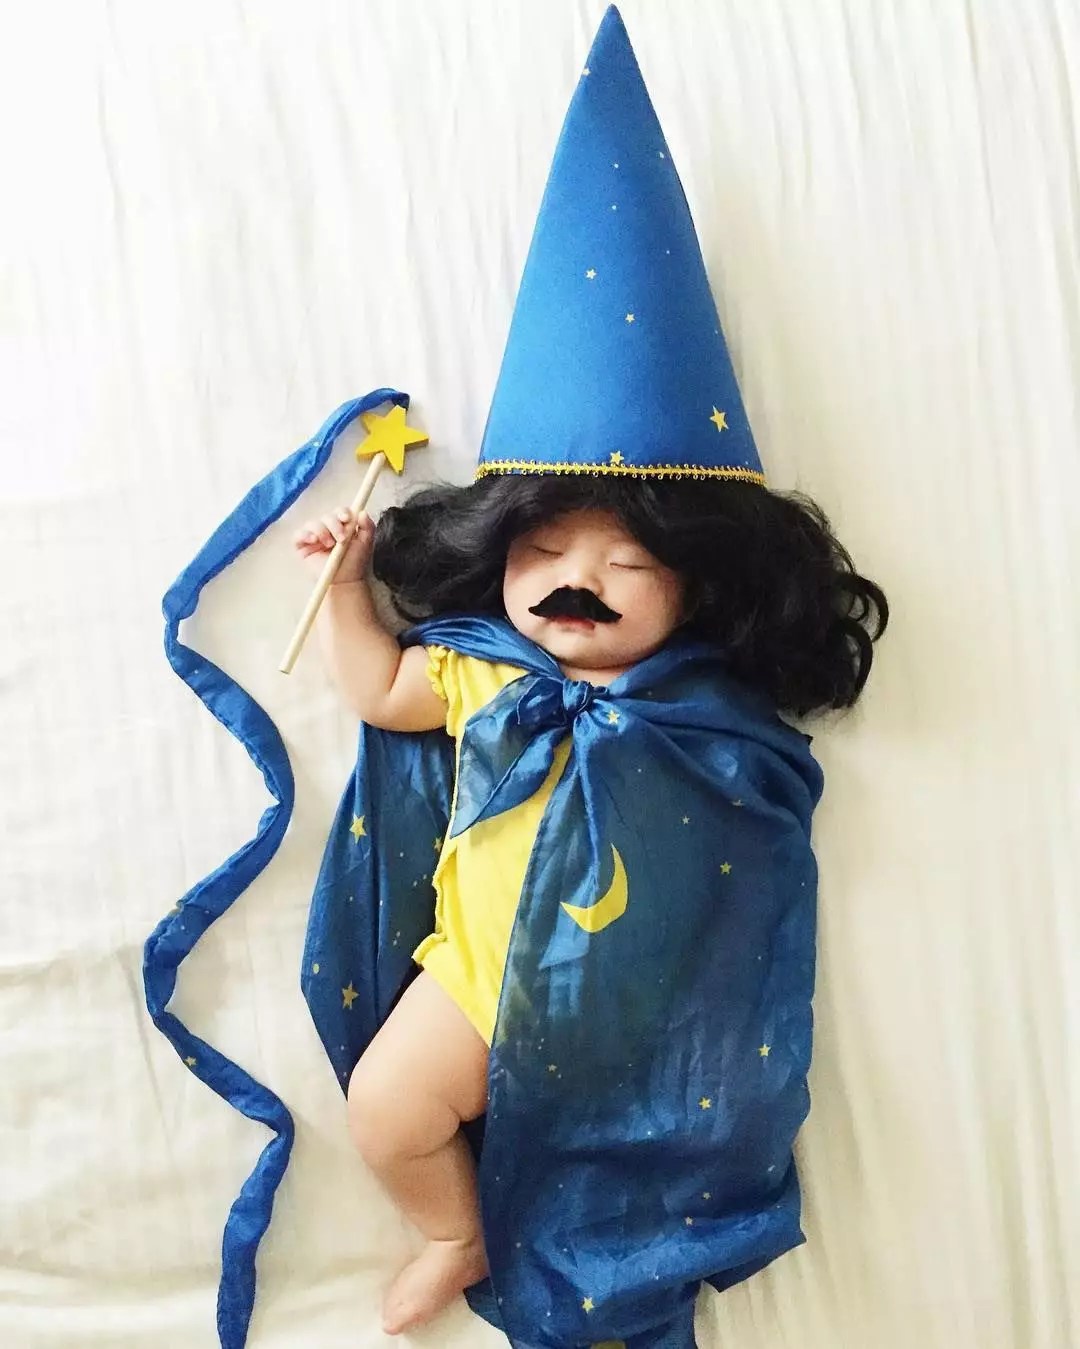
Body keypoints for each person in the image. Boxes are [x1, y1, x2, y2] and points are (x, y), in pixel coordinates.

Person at [294, 468, 887, 1334]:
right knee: (386, 1109)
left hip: (627, 1010)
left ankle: (613, 1255)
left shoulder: (703, 714)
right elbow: (380, 691)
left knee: (640, 1157)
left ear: (695, 587)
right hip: (476, 984)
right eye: (542, 550)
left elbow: (748, 842)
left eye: (630, 564)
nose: (579, 578)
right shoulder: (482, 671)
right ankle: (457, 1232)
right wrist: (347, 587)